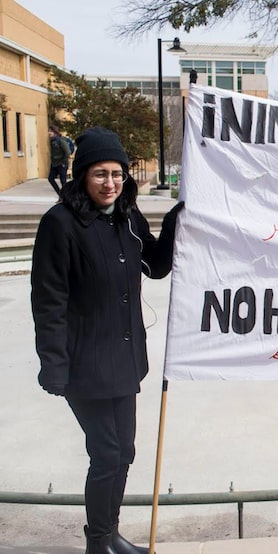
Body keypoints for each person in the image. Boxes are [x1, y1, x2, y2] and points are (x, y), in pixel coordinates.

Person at [31, 127, 184, 553]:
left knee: (124, 453)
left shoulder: (127, 216)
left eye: (117, 173)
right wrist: (54, 364)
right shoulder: (59, 224)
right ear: (82, 175)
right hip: (86, 363)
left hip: (124, 356)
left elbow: (154, 265)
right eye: (100, 173)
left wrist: (173, 222)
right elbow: (48, 301)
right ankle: (99, 541)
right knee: (108, 453)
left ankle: (106, 536)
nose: (110, 183)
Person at [48, 125, 71, 196]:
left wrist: (64, 162)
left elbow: (67, 152)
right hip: (54, 163)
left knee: (63, 181)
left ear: (55, 132)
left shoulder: (61, 140)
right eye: (48, 131)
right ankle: (60, 195)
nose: (49, 133)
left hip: (61, 163)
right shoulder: (52, 141)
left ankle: (65, 197)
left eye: (50, 131)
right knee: (51, 178)